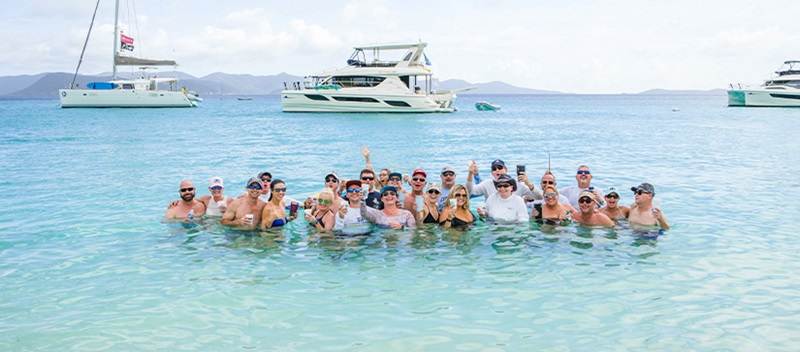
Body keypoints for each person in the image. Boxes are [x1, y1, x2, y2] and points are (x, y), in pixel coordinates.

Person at [466, 159, 538, 200]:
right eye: (494, 169)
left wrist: (528, 183)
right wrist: (471, 174)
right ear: (492, 173)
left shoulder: (518, 184)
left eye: (500, 168)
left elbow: (538, 197)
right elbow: (470, 191)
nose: (497, 170)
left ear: (506, 170)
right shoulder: (487, 184)